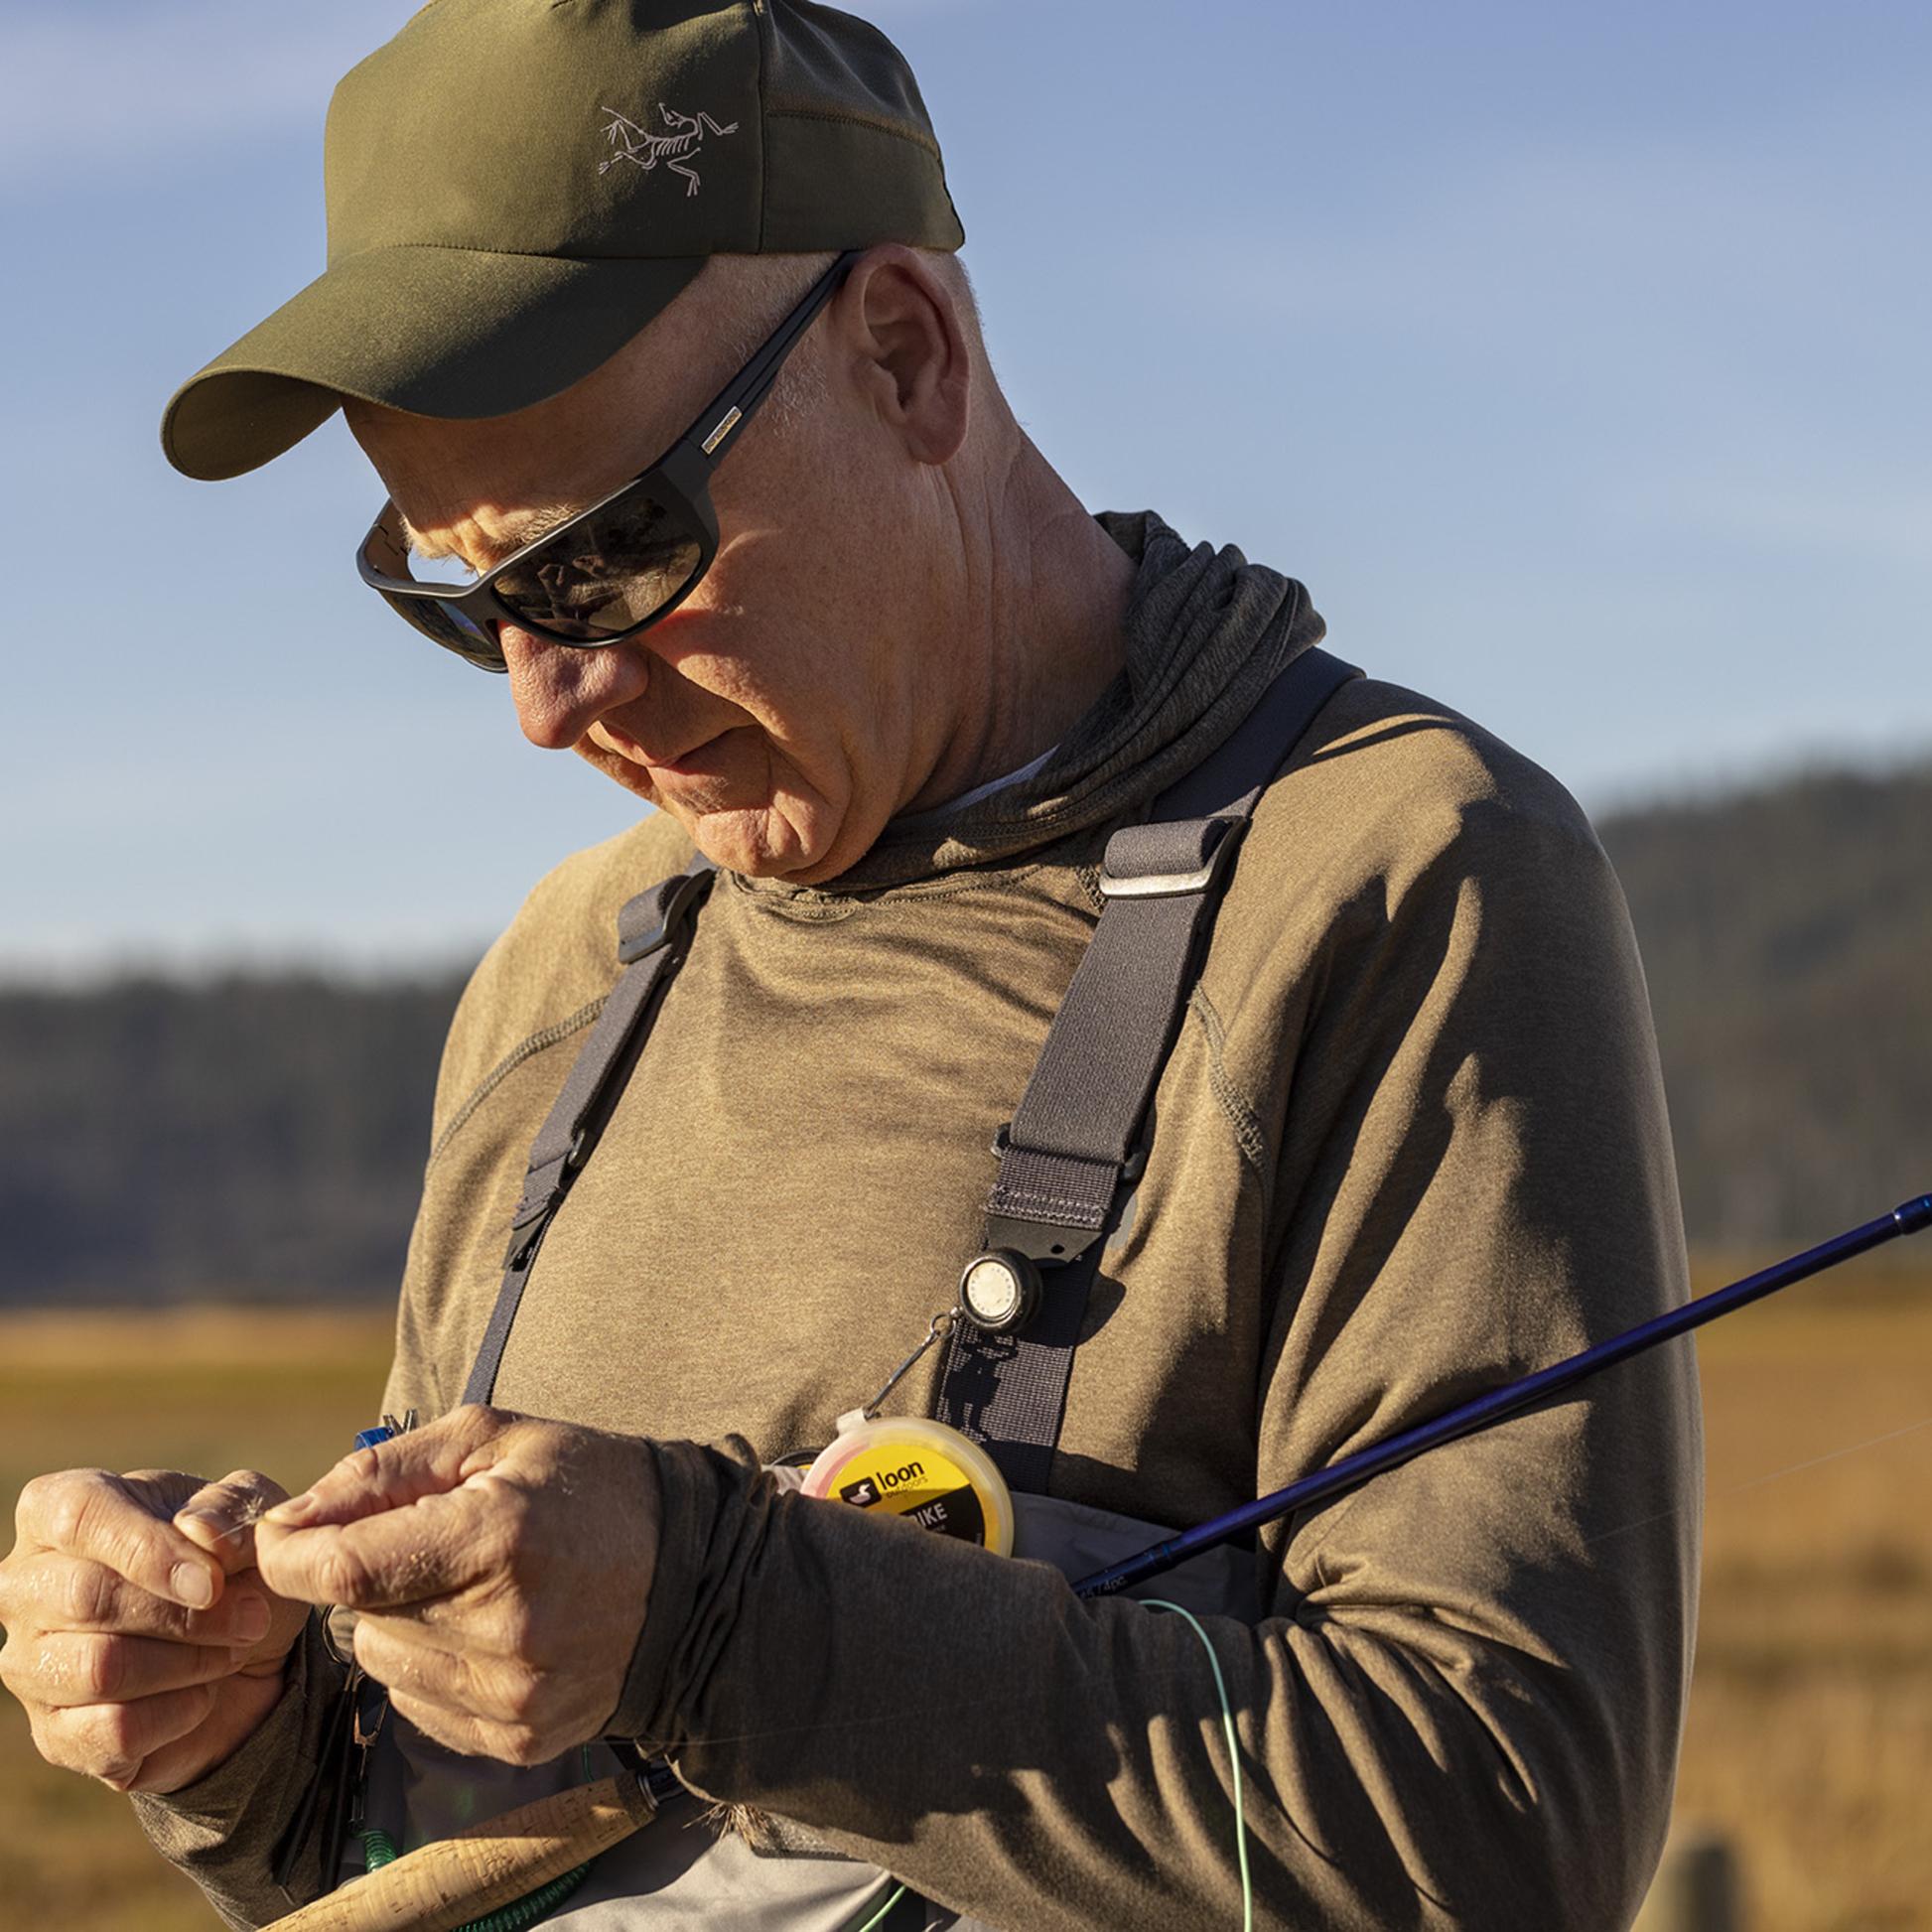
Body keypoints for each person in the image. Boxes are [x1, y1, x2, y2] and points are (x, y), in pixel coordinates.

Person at [0, 3, 1701, 1928]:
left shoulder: (1391, 872)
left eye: (604, 555)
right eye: (460, 604)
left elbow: (1487, 1834)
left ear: (905, 352)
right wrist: (243, 1742)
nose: (547, 708)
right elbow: (409, 1854)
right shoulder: (566, 973)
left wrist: (721, 1620)